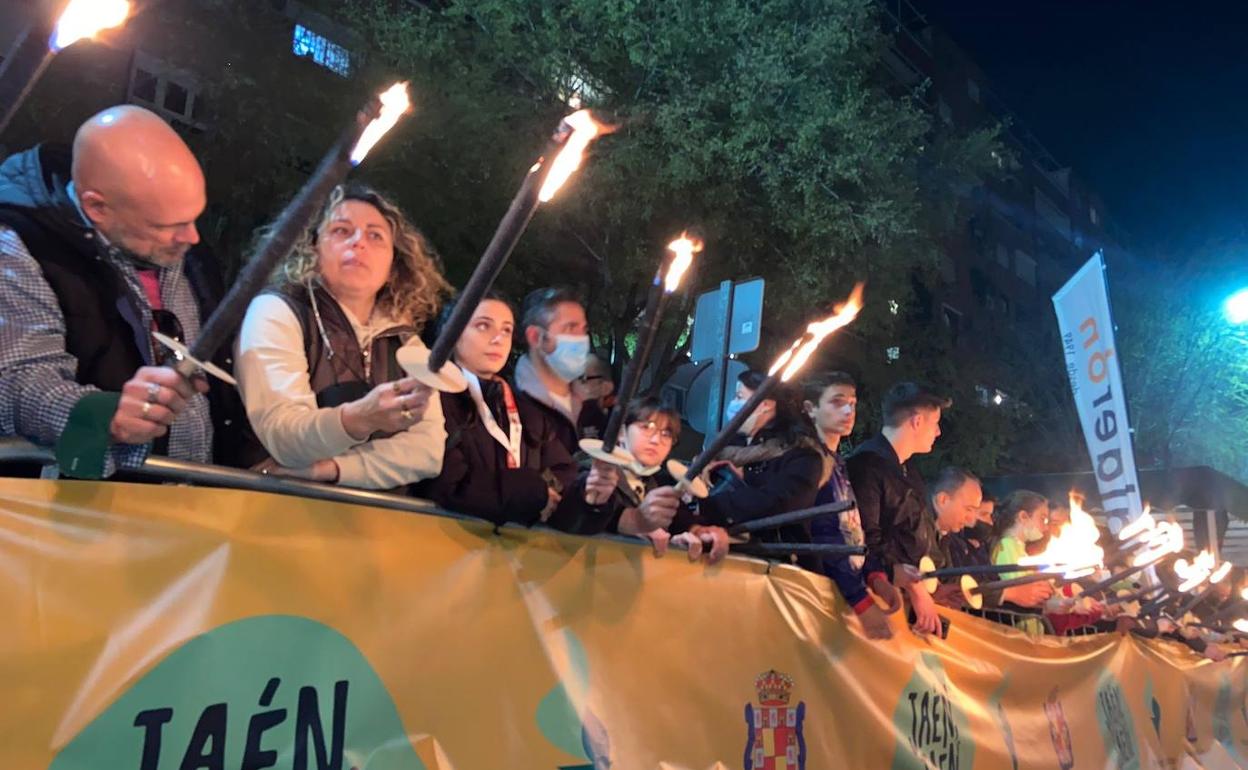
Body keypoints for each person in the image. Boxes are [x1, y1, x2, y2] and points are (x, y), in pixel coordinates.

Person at [0, 105, 250, 477]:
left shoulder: (186, 250)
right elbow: (17, 380)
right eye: (166, 225)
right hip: (87, 498)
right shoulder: (21, 247)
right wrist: (106, 415)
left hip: (190, 489)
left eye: (194, 217)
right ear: (96, 207)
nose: (193, 237)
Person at [235, 184, 451, 489]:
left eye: (375, 236)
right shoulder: (277, 311)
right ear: (312, 248)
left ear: (394, 264)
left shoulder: (406, 343)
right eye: (341, 230)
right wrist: (360, 418)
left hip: (367, 516)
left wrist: (332, 468)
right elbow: (283, 435)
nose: (358, 242)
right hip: (271, 506)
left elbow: (427, 452)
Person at [415, 293, 614, 524]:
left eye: (506, 330)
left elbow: (563, 478)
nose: (498, 338)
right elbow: (445, 485)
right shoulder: (430, 397)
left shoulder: (527, 412)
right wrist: (534, 491)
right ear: (453, 332)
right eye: (483, 326)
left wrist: (589, 499)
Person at [558, 396, 731, 562]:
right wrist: (630, 521)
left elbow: (679, 519)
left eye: (666, 434)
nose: (656, 440)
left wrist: (700, 532)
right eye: (647, 427)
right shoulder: (588, 473)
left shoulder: (657, 483)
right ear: (621, 432)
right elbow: (575, 520)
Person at [802, 371, 900, 640]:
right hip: (816, 603)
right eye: (837, 402)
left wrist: (874, 575)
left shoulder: (838, 463)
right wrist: (860, 600)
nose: (848, 411)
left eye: (852, 403)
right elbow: (824, 534)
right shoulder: (808, 461)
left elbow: (850, 529)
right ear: (810, 409)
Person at [846, 382, 949, 635]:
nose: (938, 432)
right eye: (935, 423)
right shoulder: (866, 466)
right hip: (880, 603)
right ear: (917, 421)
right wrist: (910, 584)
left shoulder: (909, 470)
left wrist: (934, 585)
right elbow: (864, 538)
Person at [696, 379, 826, 549]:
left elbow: (776, 502)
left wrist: (709, 506)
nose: (733, 403)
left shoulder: (803, 456)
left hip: (774, 556)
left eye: (739, 397)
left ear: (766, 405)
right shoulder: (724, 447)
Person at [514, 287, 609, 455]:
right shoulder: (513, 409)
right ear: (535, 337)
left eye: (584, 330)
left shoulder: (590, 408)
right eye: (570, 328)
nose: (582, 339)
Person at [990, 490, 1056, 609]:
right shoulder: (1007, 545)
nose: (1046, 527)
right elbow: (1022, 589)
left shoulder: (1018, 547)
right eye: (1043, 519)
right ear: (1023, 517)